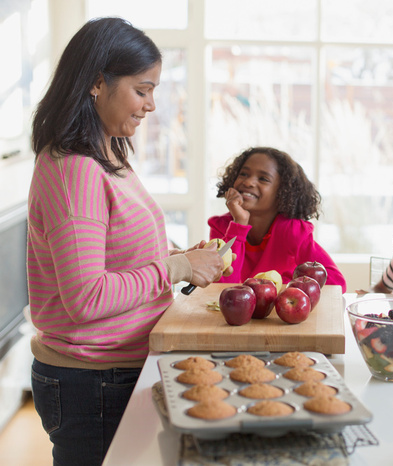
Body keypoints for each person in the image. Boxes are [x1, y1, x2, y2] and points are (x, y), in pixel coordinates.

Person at [28, 18, 231, 466]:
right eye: (142, 90)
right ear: (97, 83)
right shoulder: (75, 170)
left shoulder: (105, 154)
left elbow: (110, 254)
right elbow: (85, 297)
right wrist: (176, 269)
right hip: (93, 381)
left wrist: (178, 257)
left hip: (114, 372)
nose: (151, 105)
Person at [208, 146, 347, 292]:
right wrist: (239, 224)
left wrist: (291, 290)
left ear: (282, 191)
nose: (248, 182)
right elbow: (221, 285)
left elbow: (336, 283)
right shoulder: (222, 226)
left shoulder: (292, 231)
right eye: (243, 174)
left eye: (263, 179)